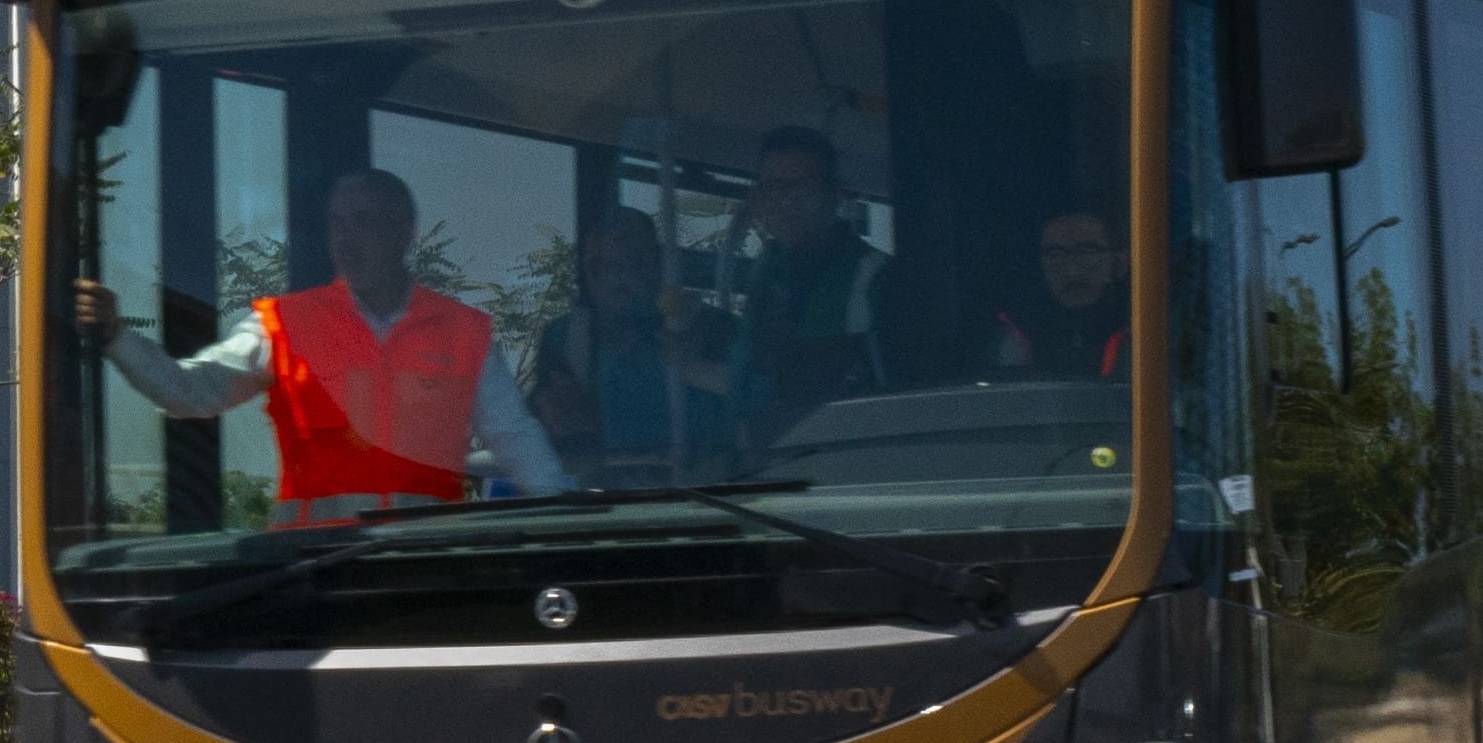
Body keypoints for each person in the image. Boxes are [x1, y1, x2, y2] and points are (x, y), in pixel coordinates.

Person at [77, 167, 565, 520]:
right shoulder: (283, 324)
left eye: (364, 221)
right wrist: (117, 336)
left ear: (404, 231)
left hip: (424, 571)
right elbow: (189, 391)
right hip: (309, 577)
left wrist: (565, 521)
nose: (347, 237)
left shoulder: (464, 332)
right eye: (338, 222)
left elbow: (515, 438)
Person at [526, 205, 734, 487]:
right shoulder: (565, 337)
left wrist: (603, 421)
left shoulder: (712, 329)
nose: (609, 277)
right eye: (596, 264)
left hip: (709, 501)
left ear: (655, 264)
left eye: (628, 262)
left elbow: (755, 412)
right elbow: (534, 435)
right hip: (603, 512)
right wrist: (551, 416)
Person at [727, 124, 887, 442]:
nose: (785, 201)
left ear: (835, 194)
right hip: (769, 463)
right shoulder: (766, 274)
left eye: (802, 188)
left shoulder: (875, 276)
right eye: (772, 189)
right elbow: (746, 378)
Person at [989, 209, 1129, 378]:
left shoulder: (1150, 327)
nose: (1072, 271)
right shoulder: (1012, 332)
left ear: (1120, 262)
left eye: (1088, 252)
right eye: (1055, 254)